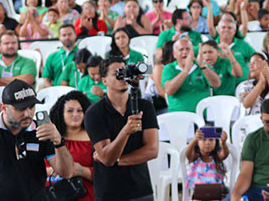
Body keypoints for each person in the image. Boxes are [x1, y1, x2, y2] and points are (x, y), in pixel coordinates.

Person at [0, 79, 73, 199]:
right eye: (21, 108)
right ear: (4, 108)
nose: (28, 113)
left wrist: (58, 141)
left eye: (32, 107)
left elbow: (67, 173)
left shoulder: (42, 130)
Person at [84, 56, 159, 201]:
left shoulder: (145, 106)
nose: (123, 76)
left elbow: (152, 150)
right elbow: (107, 158)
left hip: (141, 189)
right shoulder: (94, 113)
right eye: (117, 73)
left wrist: (118, 160)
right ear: (104, 80)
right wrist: (126, 131)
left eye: (124, 71)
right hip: (109, 192)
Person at [48, 90, 95, 201]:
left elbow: (105, 173)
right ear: (61, 113)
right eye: (70, 111)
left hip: (86, 195)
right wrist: (57, 170)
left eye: (80, 110)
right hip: (55, 194)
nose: (75, 114)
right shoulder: (51, 137)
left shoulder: (94, 137)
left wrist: (81, 170)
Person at [161, 37, 221, 113]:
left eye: (188, 49)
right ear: (174, 54)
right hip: (178, 114)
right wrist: (186, 70)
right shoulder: (169, 68)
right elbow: (169, 91)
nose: (185, 52)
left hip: (202, 115)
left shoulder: (202, 66)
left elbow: (216, 84)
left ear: (192, 51)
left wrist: (203, 66)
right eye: (181, 49)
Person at [184, 127, 229, 193]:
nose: (208, 143)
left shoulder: (216, 156)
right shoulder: (196, 157)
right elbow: (188, 154)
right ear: (198, 142)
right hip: (199, 194)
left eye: (211, 139)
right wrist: (194, 140)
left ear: (215, 142)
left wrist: (223, 143)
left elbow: (225, 154)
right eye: (204, 139)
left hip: (216, 193)